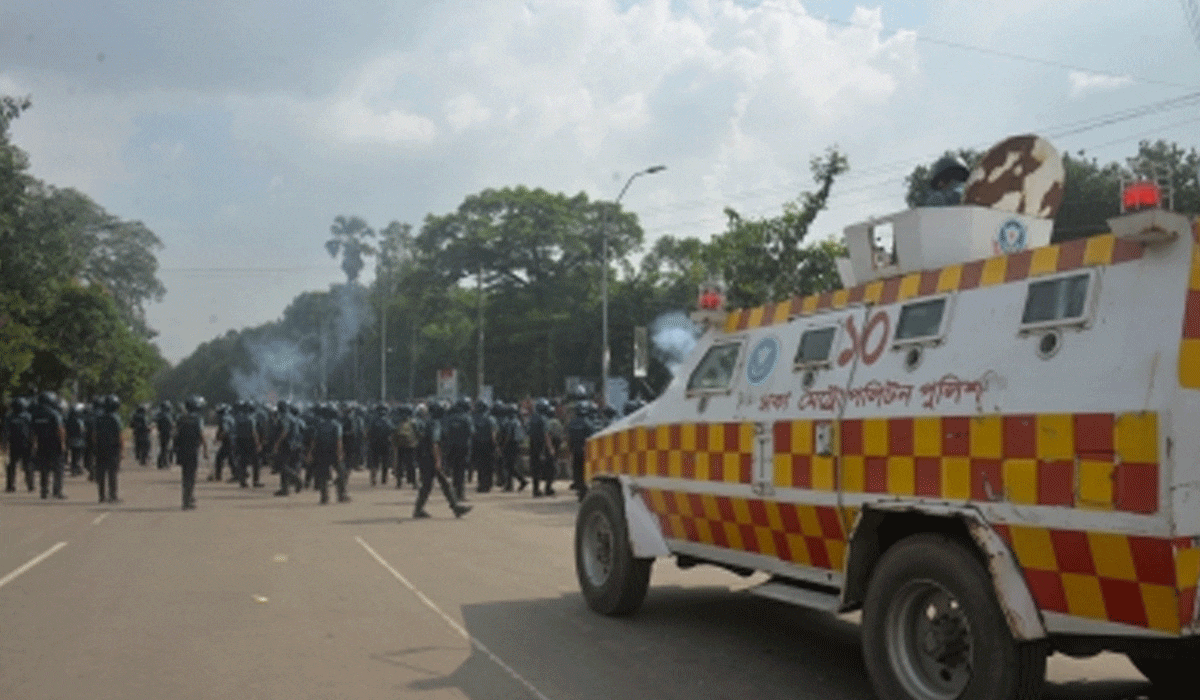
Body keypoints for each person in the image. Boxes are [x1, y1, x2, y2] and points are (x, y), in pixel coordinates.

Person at [412, 402, 470, 519]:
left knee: (433, 484)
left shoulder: (428, 422)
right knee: (439, 484)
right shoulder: (436, 424)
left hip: (425, 457)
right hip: (432, 458)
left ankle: (454, 507)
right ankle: (455, 508)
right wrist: (438, 461)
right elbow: (435, 444)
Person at [306, 403, 349, 504]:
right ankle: (341, 495)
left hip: (321, 451)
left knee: (323, 476)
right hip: (333, 451)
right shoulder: (337, 425)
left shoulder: (319, 425)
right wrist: (340, 453)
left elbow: (314, 440)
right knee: (342, 473)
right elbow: (339, 440)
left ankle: (324, 497)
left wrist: (310, 453)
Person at [29, 391, 67, 500]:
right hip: (55, 444)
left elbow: (32, 432)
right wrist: (63, 443)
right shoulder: (54, 413)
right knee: (58, 469)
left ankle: (44, 491)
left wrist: (34, 444)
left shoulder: (35, 414)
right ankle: (57, 491)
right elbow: (60, 429)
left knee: (44, 469)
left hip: (42, 444)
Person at [174, 396, 208, 509]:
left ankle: (186, 498)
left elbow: (175, 434)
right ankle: (188, 499)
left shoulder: (180, 418)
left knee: (185, 475)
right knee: (192, 475)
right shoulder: (198, 419)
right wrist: (205, 450)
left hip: (182, 450)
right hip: (193, 449)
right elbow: (201, 434)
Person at [92, 394, 124, 503]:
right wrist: (122, 450)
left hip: (101, 448)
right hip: (113, 448)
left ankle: (101, 496)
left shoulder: (99, 418)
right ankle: (112, 495)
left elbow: (94, 434)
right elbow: (120, 435)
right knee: (112, 473)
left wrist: (96, 446)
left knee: (101, 473)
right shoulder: (116, 418)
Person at [441, 398, 474, 501]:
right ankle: (460, 494)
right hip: (463, 447)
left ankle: (454, 492)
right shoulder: (467, 418)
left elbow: (444, 433)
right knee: (461, 471)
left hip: (451, 448)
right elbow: (472, 432)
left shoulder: (448, 418)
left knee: (453, 470)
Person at [271, 402, 305, 496]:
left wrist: (277, 444)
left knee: (281, 465)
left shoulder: (284, 417)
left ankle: (297, 480)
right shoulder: (294, 417)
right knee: (287, 465)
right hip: (296, 444)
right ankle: (284, 489)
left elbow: (284, 431)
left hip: (287, 444)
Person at [568, 400, 597, 500]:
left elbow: (569, 438)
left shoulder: (572, 423)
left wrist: (570, 449)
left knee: (577, 471)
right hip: (586, 451)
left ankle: (580, 491)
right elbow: (592, 438)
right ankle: (584, 492)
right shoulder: (588, 423)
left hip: (575, 450)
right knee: (586, 471)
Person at [4, 397, 33, 493]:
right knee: (28, 465)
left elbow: (5, 432)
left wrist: (4, 444)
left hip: (14, 444)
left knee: (11, 466)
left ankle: (10, 486)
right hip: (26, 444)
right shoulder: (28, 416)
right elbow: (32, 432)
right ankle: (30, 485)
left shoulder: (9, 417)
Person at [470, 399, 497, 493]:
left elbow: (472, 433)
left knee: (480, 466)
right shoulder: (491, 418)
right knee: (489, 465)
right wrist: (495, 445)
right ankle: (488, 484)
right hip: (488, 445)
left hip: (477, 444)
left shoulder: (473, 418)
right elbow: (493, 433)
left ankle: (481, 484)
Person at [232, 400, 262, 488]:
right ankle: (256, 481)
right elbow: (254, 432)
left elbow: (235, 431)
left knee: (243, 462)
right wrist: (258, 443)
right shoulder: (252, 418)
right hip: (250, 441)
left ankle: (243, 481)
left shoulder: (238, 418)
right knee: (256, 462)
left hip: (240, 441)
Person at [366, 403, 394, 486]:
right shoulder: (388, 420)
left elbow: (368, 433)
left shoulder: (372, 420)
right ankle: (384, 479)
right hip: (386, 444)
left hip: (374, 444)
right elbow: (392, 432)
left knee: (374, 462)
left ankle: (373, 478)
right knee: (385, 462)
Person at [392, 404, 417, 488]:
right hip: (411, 445)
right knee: (411, 464)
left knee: (400, 464)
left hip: (400, 445)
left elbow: (394, 433)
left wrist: (394, 443)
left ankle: (399, 483)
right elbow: (417, 433)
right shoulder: (413, 422)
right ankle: (414, 483)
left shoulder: (397, 421)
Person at [65, 403, 86, 476]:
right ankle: (76, 468)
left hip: (71, 440)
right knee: (78, 455)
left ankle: (74, 469)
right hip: (79, 440)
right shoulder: (79, 421)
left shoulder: (68, 420)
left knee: (74, 455)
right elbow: (82, 430)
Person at [154, 401, 174, 469]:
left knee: (163, 448)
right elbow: (171, 424)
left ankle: (161, 463)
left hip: (161, 433)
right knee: (166, 448)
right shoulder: (167, 415)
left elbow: (155, 421)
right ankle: (164, 463)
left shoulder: (159, 414)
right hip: (167, 433)